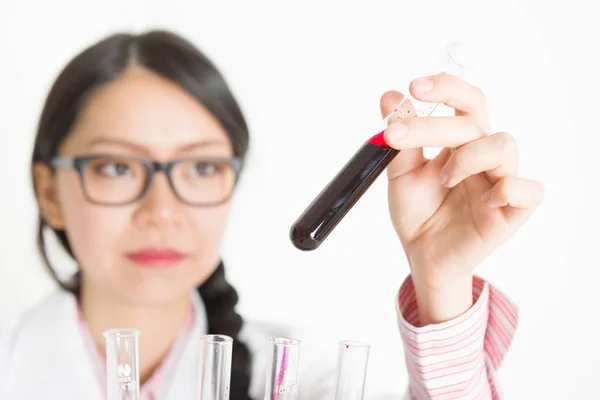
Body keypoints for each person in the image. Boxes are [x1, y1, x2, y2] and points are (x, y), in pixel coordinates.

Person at [0, 29, 544, 399]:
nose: (161, 212)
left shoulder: (298, 377)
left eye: (201, 168)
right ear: (49, 192)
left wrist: (441, 280)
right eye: (117, 168)